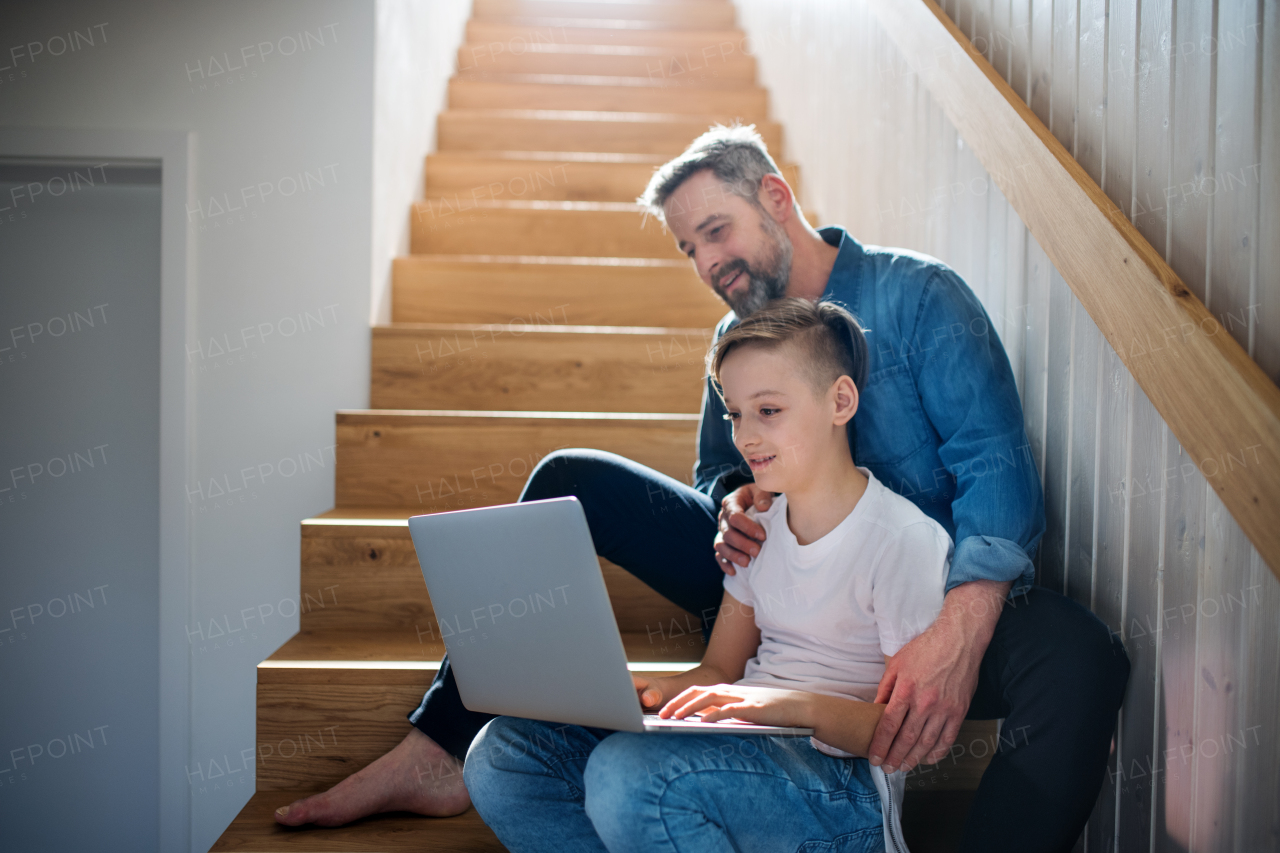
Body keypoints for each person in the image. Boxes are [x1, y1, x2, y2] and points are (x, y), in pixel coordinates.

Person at [276, 126, 1129, 852]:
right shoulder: (735, 336)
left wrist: (961, 624)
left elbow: (997, 470)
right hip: (775, 563)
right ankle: (442, 746)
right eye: (690, 248)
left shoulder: (919, 297)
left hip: (921, 591)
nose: (709, 262)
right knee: (569, 478)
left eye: (718, 231)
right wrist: (732, 501)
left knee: (1081, 653)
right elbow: (715, 471)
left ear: (775, 196)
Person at [464, 297, 951, 852]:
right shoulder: (758, 524)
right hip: (739, 745)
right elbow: (720, 668)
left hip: (842, 789)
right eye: (735, 414)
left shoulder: (902, 540)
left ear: (840, 401)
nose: (744, 437)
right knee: (503, 754)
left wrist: (782, 705)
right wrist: (644, 692)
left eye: (768, 411)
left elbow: (903, 735)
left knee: (626, 774)